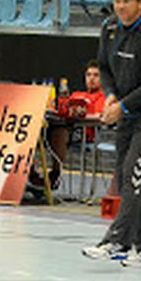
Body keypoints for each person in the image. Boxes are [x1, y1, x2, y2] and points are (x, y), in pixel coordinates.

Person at [82, 0, 141, 267]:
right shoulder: (109, 28)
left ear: (140, 3)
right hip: (125, 114)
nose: (121, 7)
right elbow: (105, 68)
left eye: (127, 1)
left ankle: (117, 240)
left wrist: (121, 106)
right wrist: (110, 95)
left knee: (135, 175)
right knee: (126, 178)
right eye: (117, 1)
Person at [28, 60, 106, 191]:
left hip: (84, 133)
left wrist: (80, 115)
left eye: (96, 75)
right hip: (59, 126)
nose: (91, 79)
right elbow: (63, 110)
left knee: (60, 131)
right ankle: (30, 172)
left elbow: (101, 116)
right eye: (88, 75)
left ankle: (55, 174)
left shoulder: (102, 97)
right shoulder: (76, 94)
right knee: (31, 130)